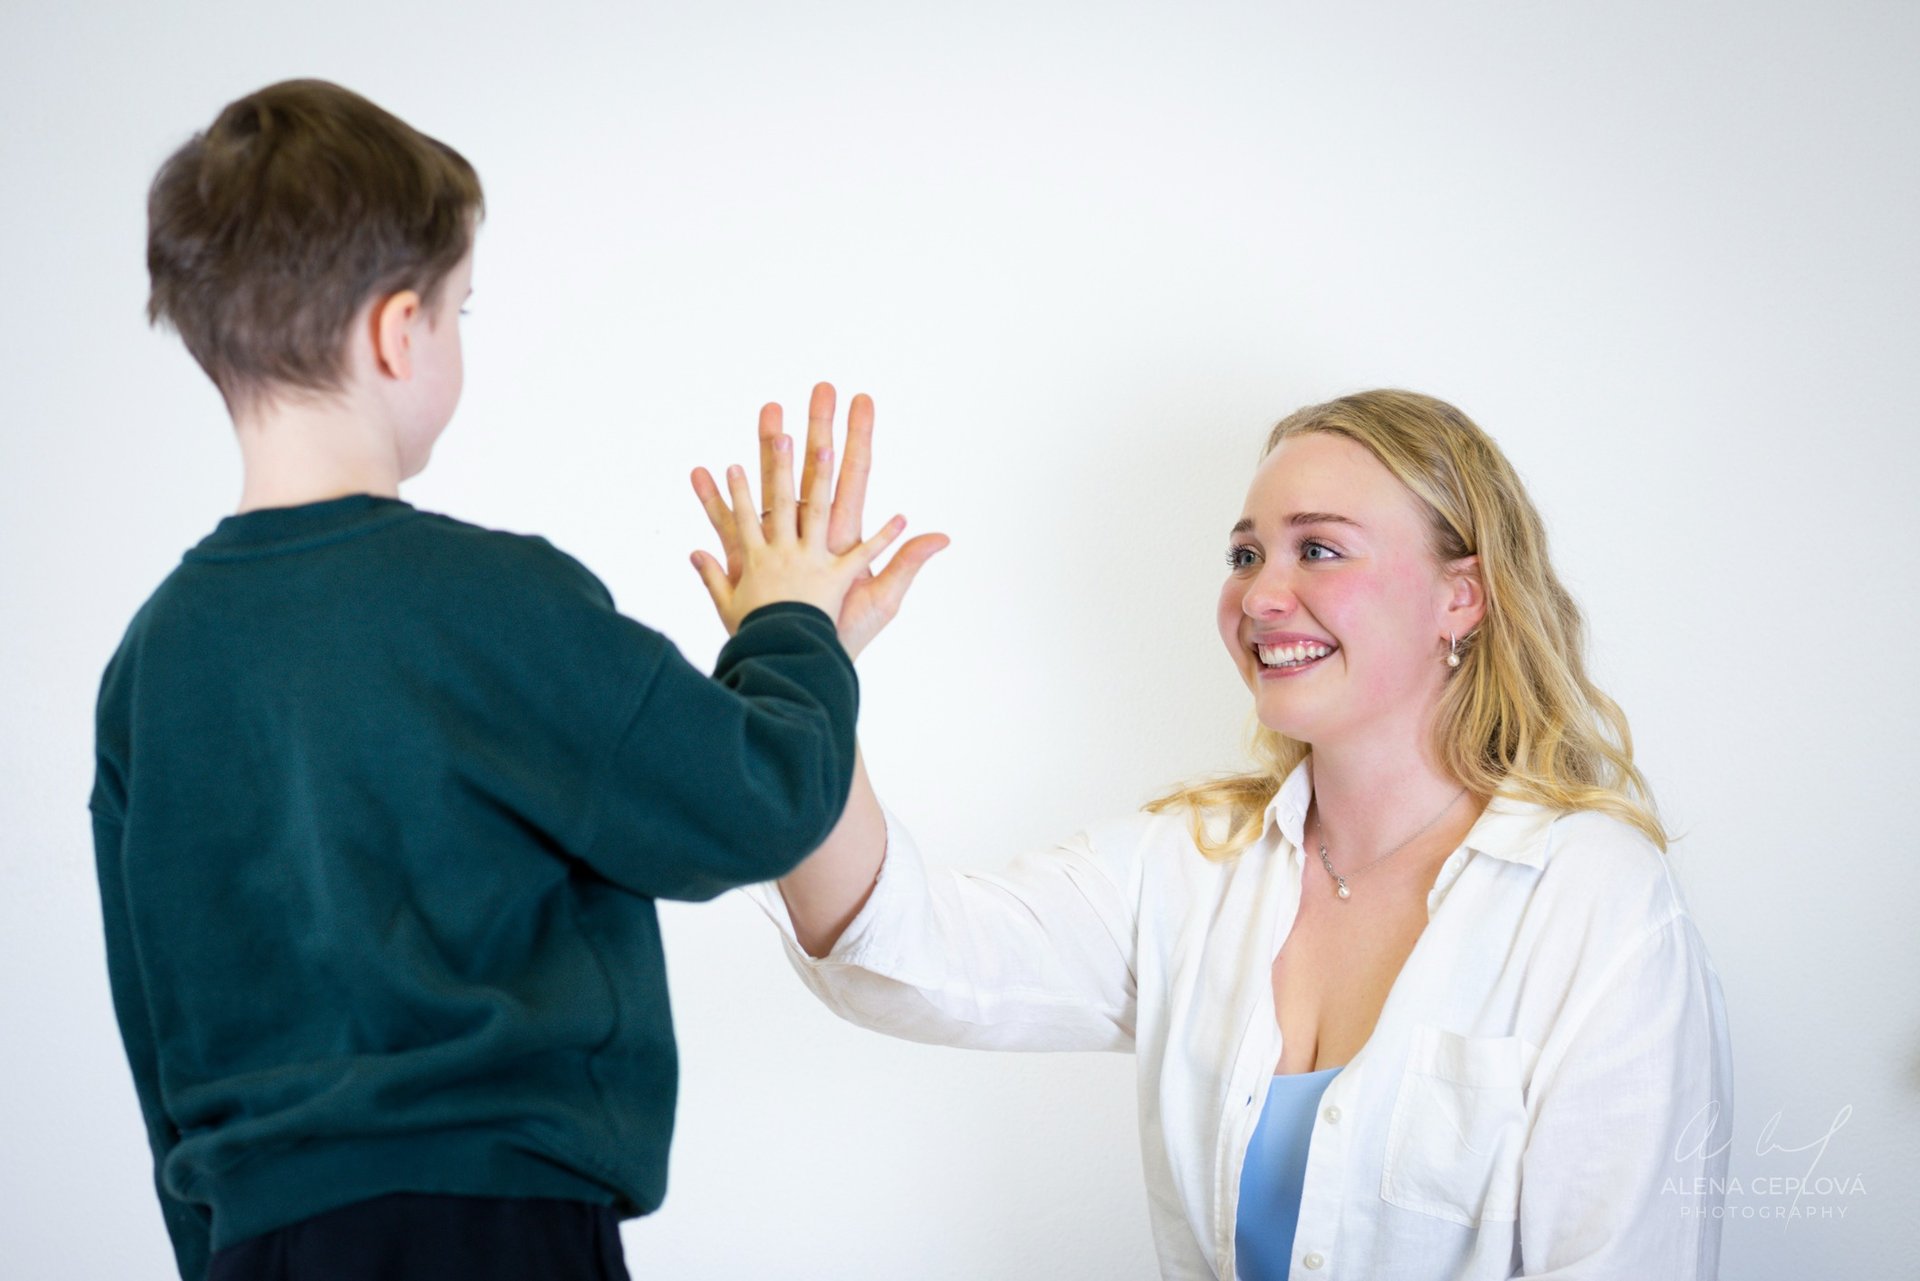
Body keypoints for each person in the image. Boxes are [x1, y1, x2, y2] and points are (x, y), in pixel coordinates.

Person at [91, 80, 926, 1281]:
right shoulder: (495, 601)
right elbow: (756, 800)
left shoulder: (150, 662)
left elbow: (152, 1026)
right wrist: (793, 625)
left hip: (256, 1242)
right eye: (459, 307)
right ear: (397, 333)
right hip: (493, 1231)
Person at [690, 387, 1734, 1279]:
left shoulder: (1591, 899)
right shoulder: (1192, 865)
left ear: (1460, 598)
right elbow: (900, 951)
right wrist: (799, 664)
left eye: (1317, 549)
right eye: (1245, 553)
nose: (1260, 595)